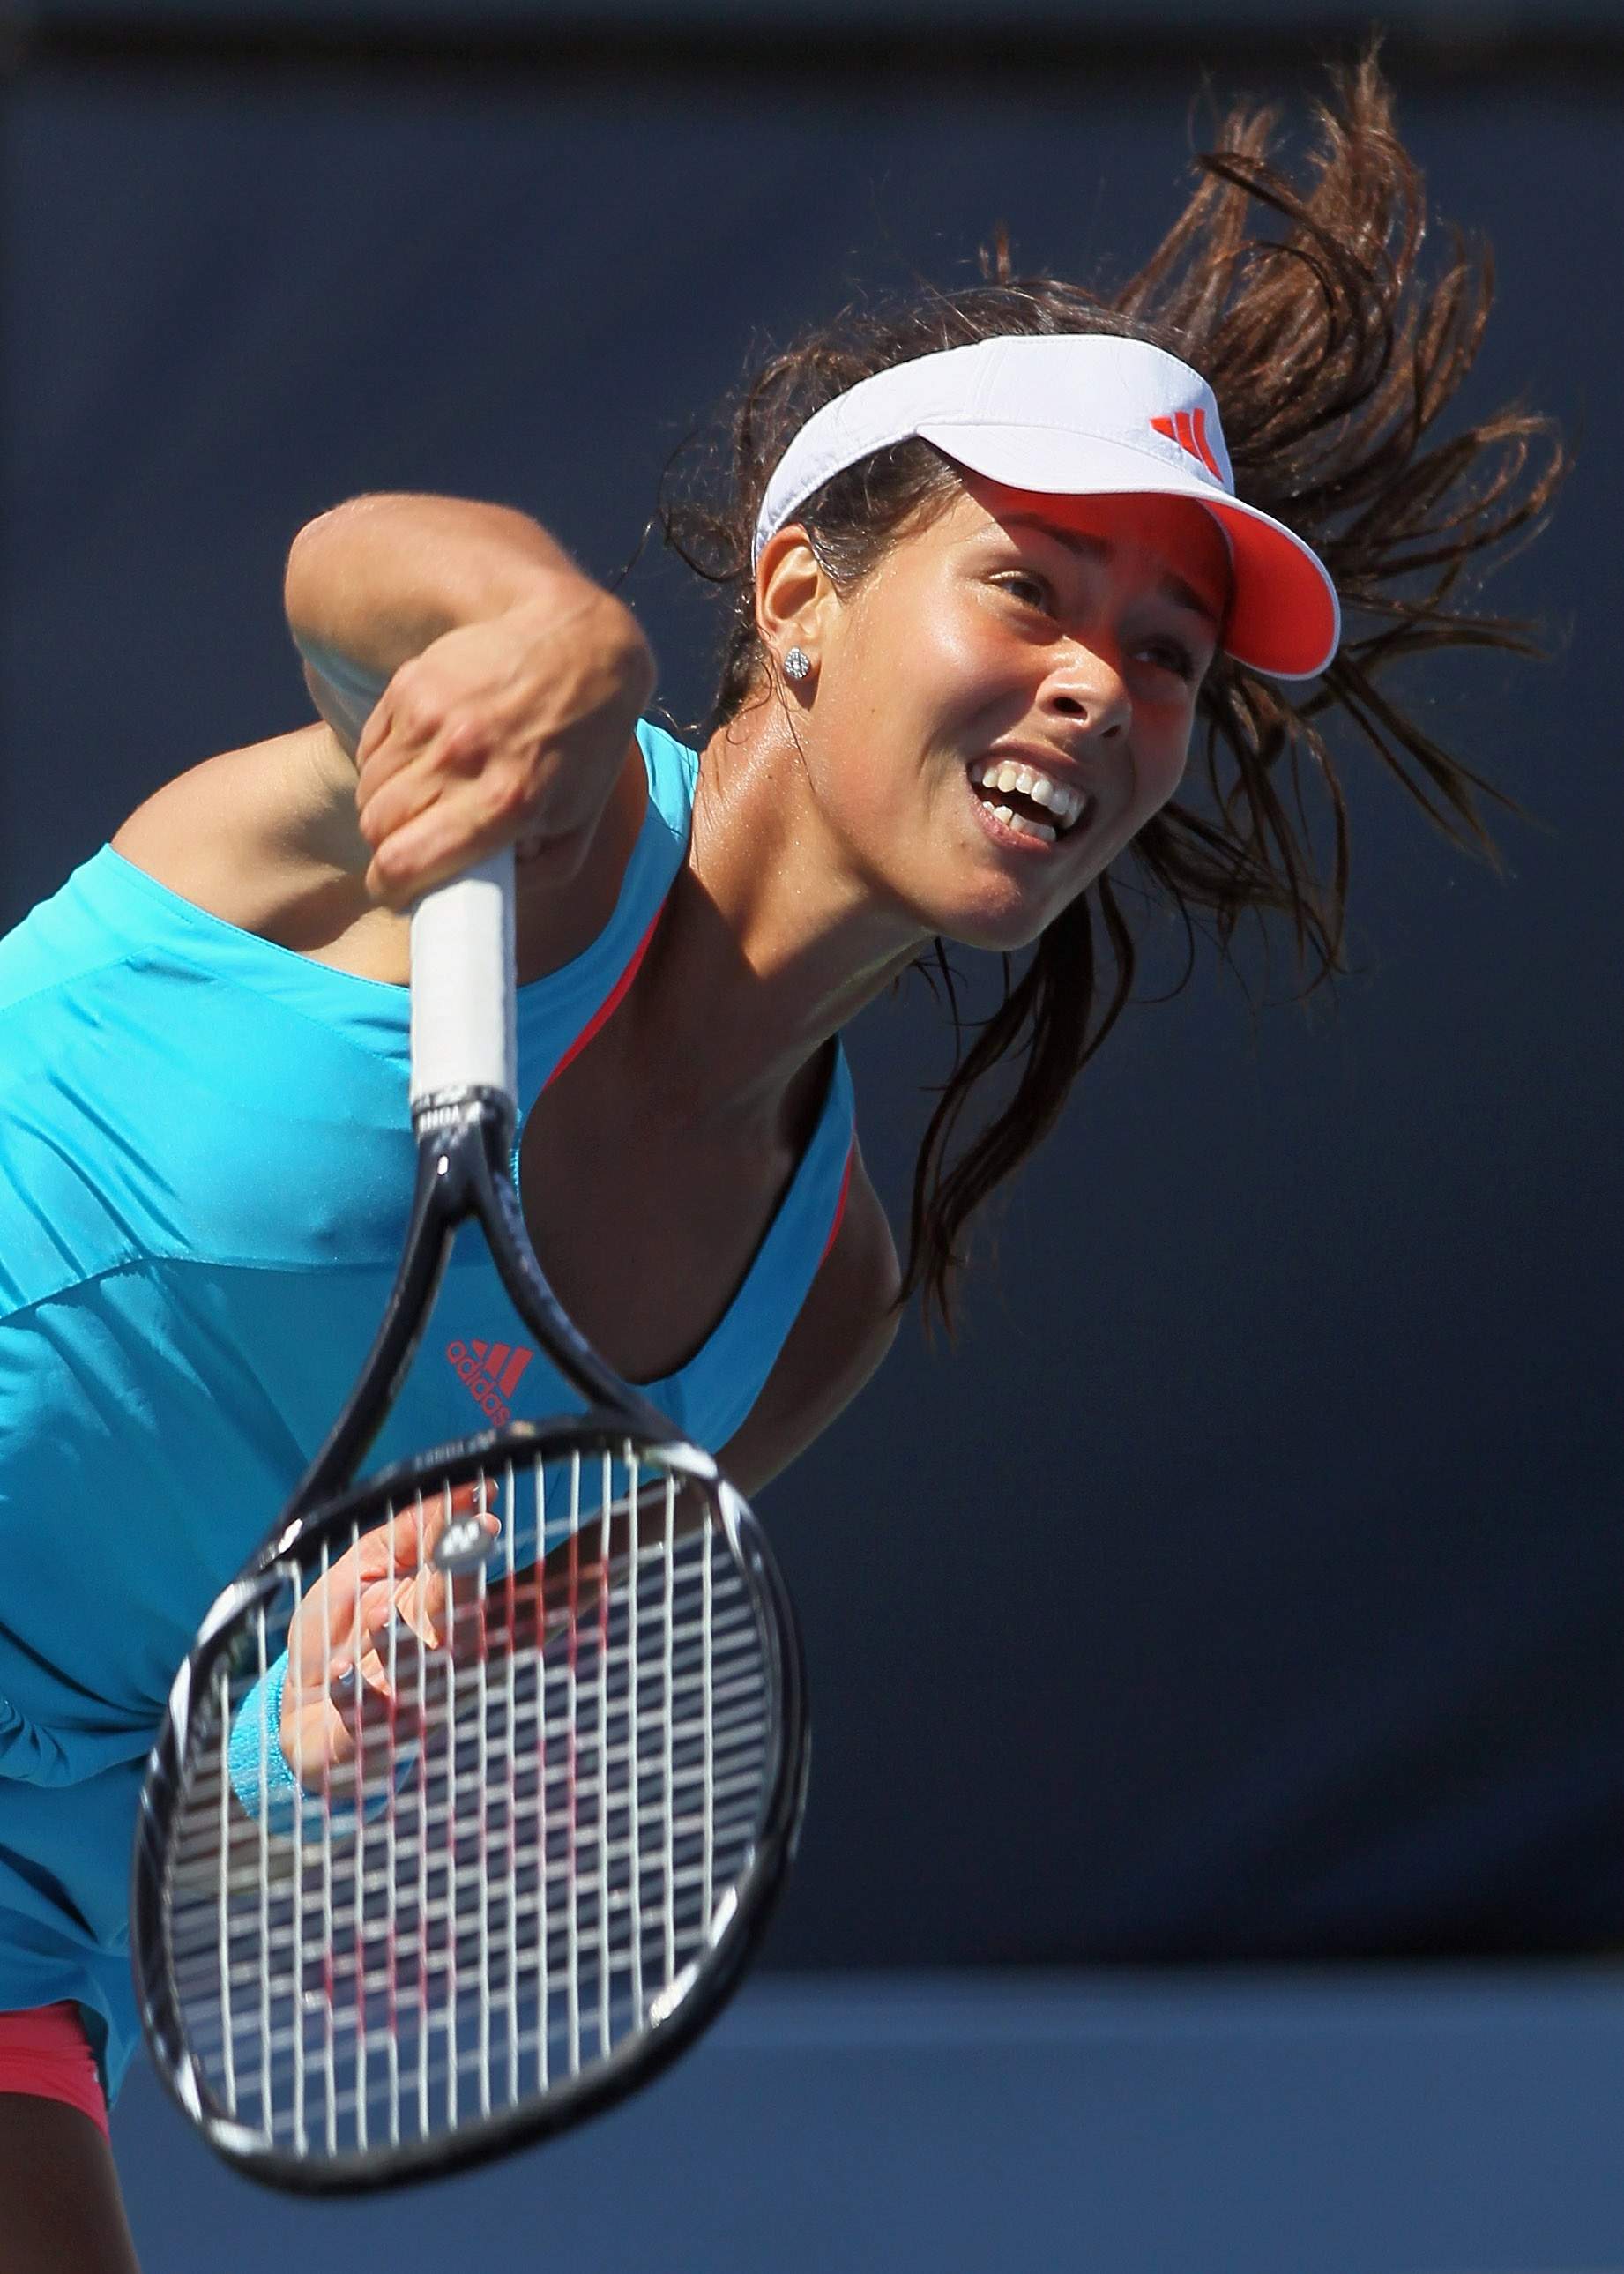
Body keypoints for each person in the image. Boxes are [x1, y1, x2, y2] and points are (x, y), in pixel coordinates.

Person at [0, 51, 1561, 2270]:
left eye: (1165, 656)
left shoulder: (809, 1310)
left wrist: (317, 1714)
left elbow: (272, 1786)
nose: (1097, 687)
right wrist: (553, 629)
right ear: (802, 592)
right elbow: (361, 580)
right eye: (1027, 590)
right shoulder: (508, 819)